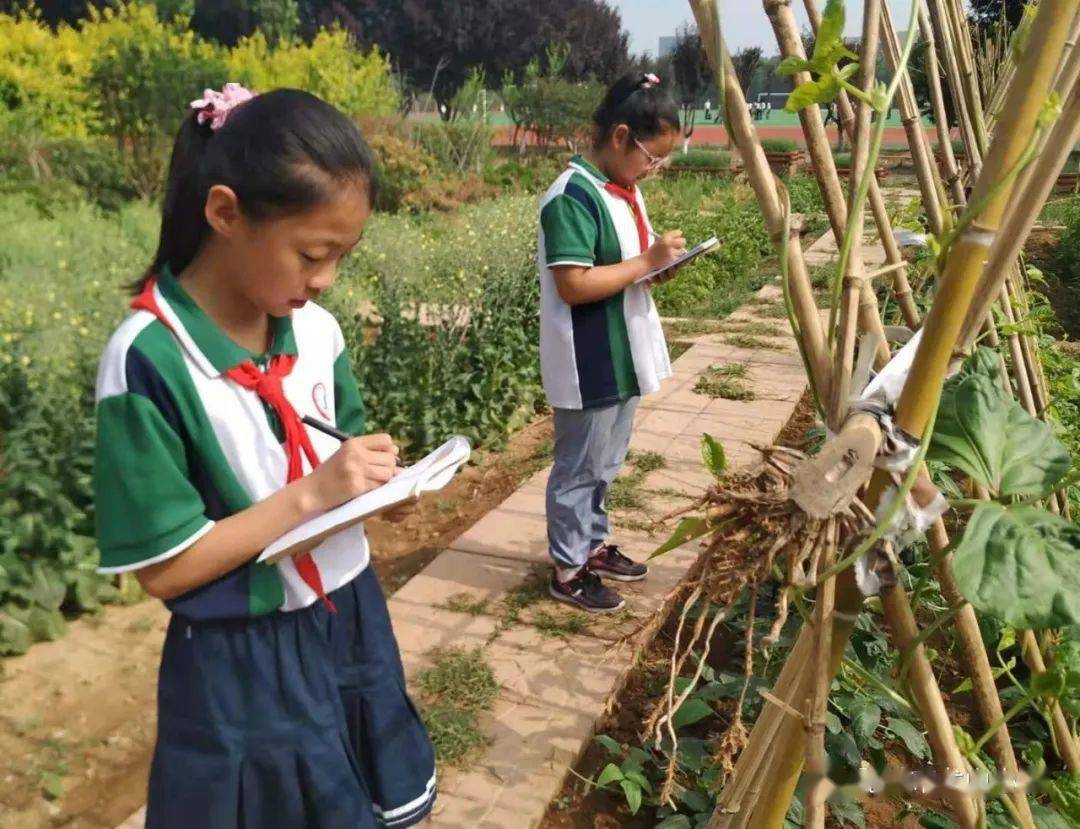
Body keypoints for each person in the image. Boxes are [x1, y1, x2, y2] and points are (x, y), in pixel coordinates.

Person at [92, 84, 436, 829]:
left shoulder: (316, 332)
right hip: (240, 662)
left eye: (342, 256)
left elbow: (340, 451)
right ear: (224, 213)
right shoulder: (149, 361)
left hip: (347, 614)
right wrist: (313, 494)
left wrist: (377, 486)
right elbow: (166, 568)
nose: (326, 281)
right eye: (314, 254)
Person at [536, 72, 686, 613]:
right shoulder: (572, 196)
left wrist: (655, 270)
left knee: (606, 460)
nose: (654, 169)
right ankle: (568, 568)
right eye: (652, 156)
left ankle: (591, 544)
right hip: (588, 358)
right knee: (579, 466)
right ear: (620, 137)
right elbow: (573, 284)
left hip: (622, 354)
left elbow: (623, 267)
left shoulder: (623, 192)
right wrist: (645, 263)